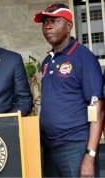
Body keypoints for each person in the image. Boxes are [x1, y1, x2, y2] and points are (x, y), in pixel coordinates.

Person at [34, 3, 104, 177]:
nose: (48, 26)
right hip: (49, 148)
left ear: (69, 26)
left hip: (75, 147)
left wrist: (90, 156)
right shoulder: (47, 61)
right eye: (45, 22)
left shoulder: (83, 58)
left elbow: (98, 108)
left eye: (54, 21)